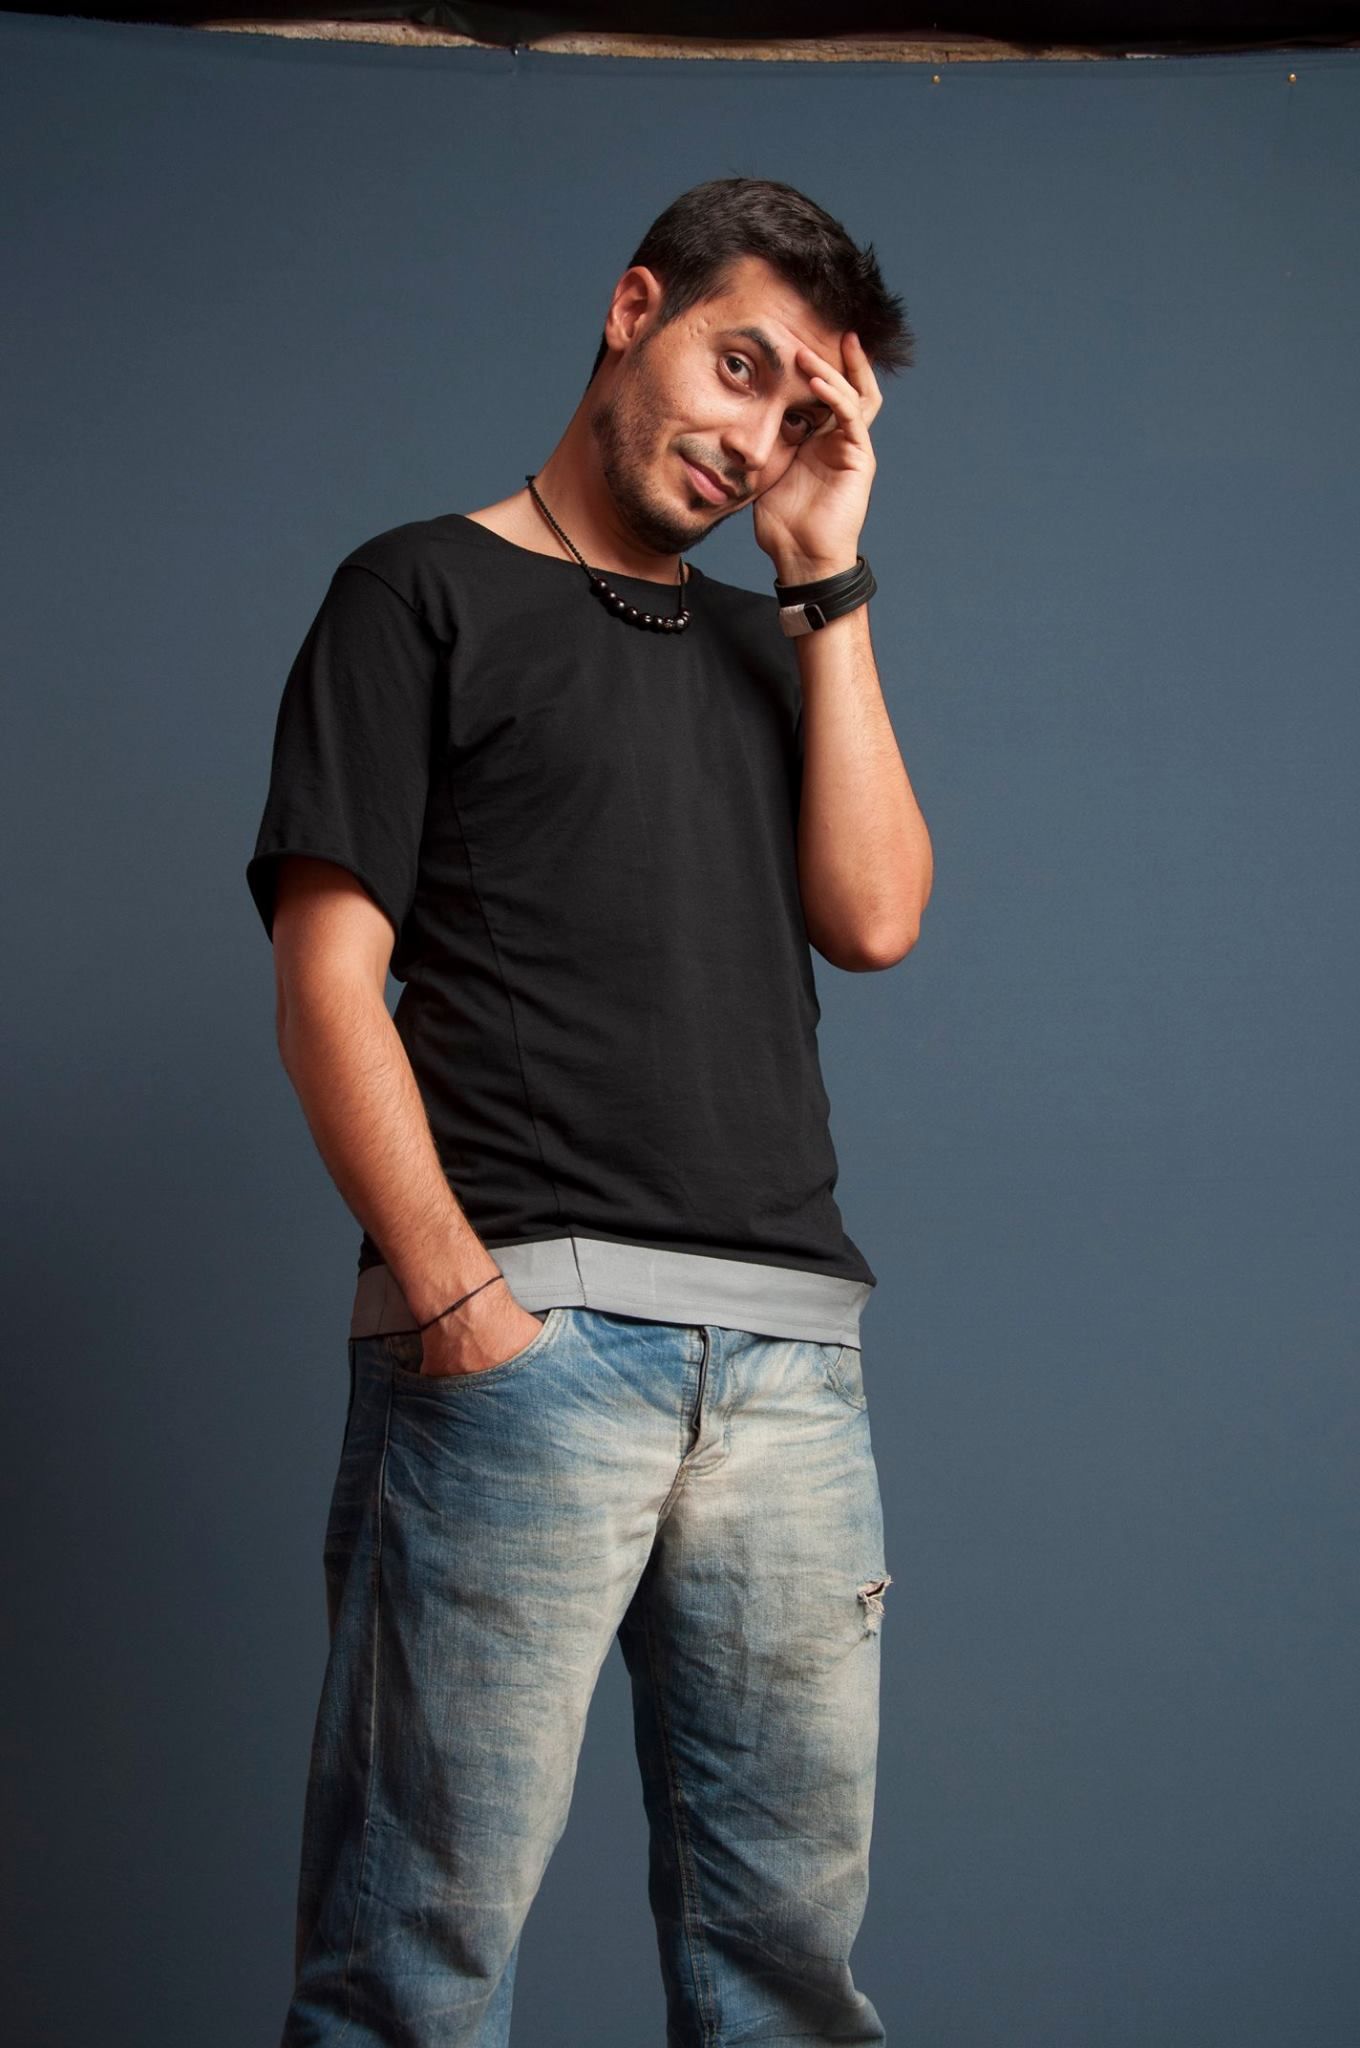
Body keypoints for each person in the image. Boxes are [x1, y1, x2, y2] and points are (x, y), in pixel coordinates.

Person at [246, 174, 932, 2048]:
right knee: (413, 1974)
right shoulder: (417, 591)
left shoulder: (773, 646)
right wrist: (462, 1302)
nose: (754, 438)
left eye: (803, 411)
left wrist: (824, 574)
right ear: (634, 309)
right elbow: (326, 988)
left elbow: (877, 918)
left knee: (788, 1984)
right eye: (741, 368)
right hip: (526, 1351)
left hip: (789, 1375)